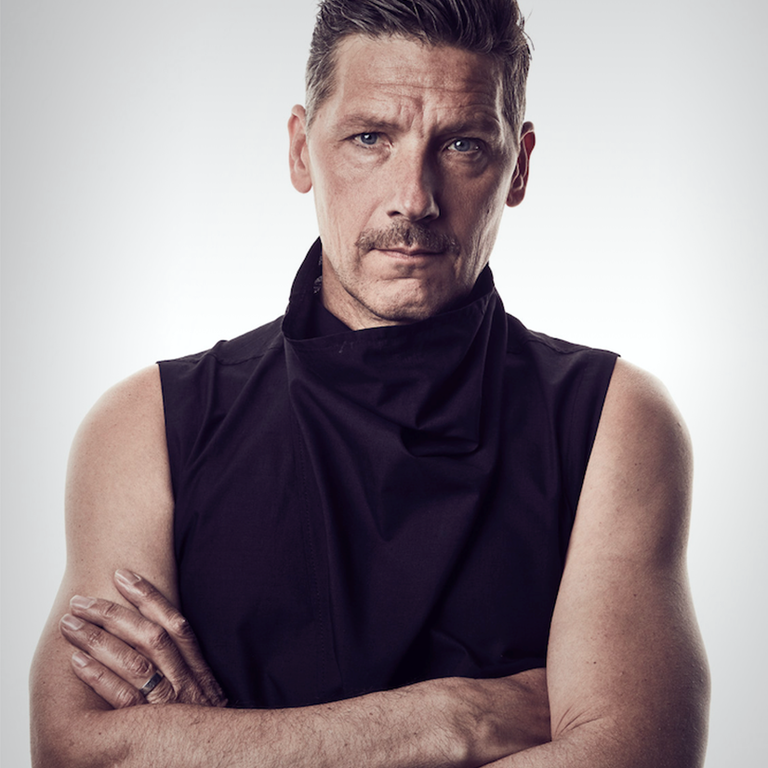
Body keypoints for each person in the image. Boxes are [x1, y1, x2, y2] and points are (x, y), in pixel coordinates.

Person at [30, 0, 710, 765]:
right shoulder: (146, 425)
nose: (413, 198)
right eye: (369, 138)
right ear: (300, 150)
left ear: (518, 166)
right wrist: (453, 719)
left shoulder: (613, 419)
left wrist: (215, 747)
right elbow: (77, 752)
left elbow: (634, 756)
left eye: (462, 144)